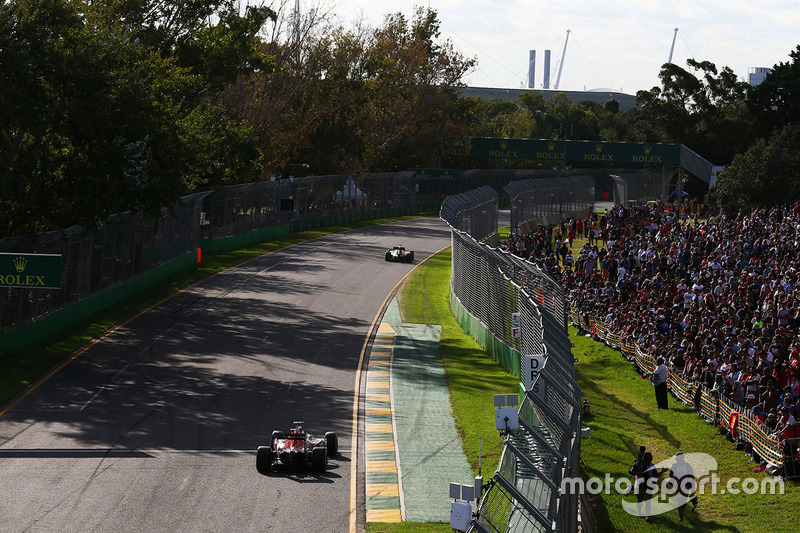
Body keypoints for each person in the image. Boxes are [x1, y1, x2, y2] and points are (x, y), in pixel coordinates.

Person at [629, 451, 666, 521]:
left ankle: (647, 516)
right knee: (639, 500)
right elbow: (631, 472)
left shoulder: (652, 465)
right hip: (639, 484)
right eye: (650, 458)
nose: (651, 459)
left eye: (651, 457)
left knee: (648, 501)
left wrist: (662, 471)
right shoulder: (638, 464)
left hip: (648, 485)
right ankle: (639, 512)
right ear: (645, 458)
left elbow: (655, 475)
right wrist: (638, 473)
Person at [669, 452, 697, 522]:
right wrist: (676, 479)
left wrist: (693, 488)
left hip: (686, 485)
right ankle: (680, 516)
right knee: (679, 500)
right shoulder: (674, 465)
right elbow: (671, 475)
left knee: (683, 500)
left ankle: (681, 512)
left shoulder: (688, 466)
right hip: (677, 485)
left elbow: (692, 477)